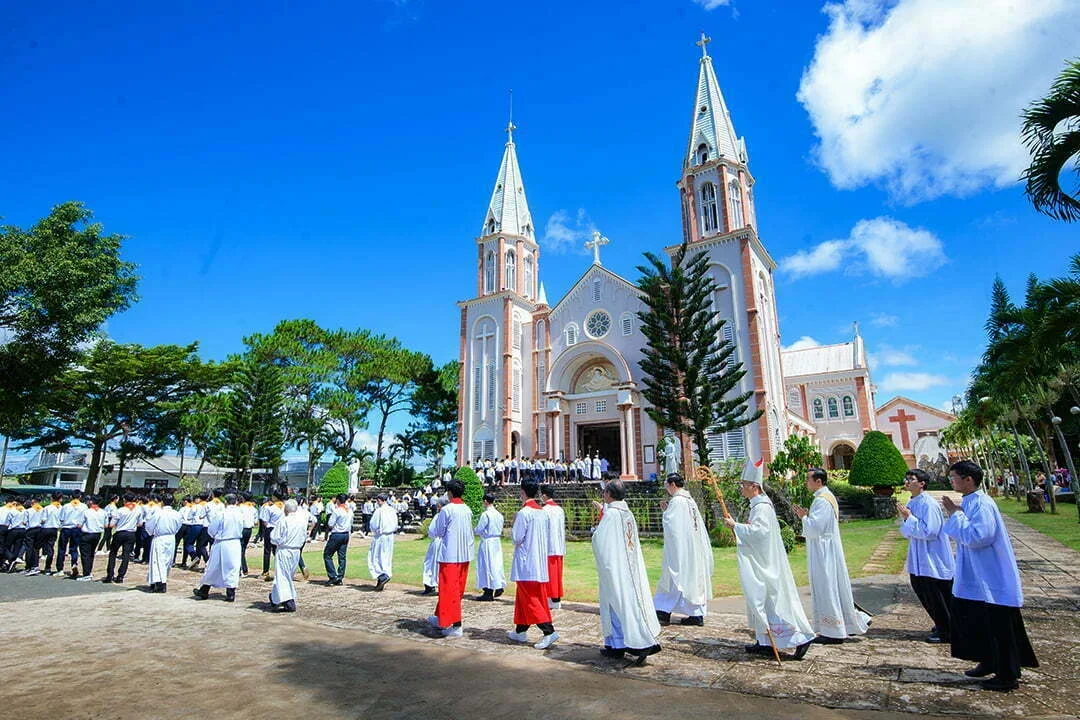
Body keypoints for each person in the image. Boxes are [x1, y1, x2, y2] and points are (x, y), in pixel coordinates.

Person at [942, 460, 1038, 692]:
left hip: (991, 576)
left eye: (954, 477)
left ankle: (1007, 674)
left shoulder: (983, 503)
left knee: (999, 626)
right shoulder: (970, 501)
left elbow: (979, 536)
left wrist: (955, 515)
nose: (951, 481)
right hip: (977, 574)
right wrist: (958, 513)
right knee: (980, 621)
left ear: (968, 479)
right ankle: (988, 660)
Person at [724, 459, 814, 660]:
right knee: (762, 600)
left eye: (744, 485)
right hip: (761, 560)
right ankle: (764, 641)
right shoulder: (758, 505)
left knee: (772, 600)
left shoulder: (762, 507)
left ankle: (801, 637)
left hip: (766, 564)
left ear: (754, 487)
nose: (741, 488)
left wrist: (735, 526)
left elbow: (759, 533)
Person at [793, 468, 870, 644]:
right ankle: (843, 625)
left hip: (824, 550)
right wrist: (806, 517)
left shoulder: (822, 500)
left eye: (808, 479)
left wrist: (804, 517)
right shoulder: (825, 498)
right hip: (825, 547)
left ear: (818, 481)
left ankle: (833, 631)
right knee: (831, 586)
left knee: (827, 587)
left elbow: (815, 529)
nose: (806, 483)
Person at [591, 479, 662, 662]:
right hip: (629, 566)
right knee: (627, 603)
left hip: (615, 567)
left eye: (605, 491)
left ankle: (628, 644)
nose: (604, 494)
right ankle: (622, 643)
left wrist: (594, 533)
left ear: (609, 494)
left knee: (616, 604)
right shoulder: (626, 512)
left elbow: (601, 541)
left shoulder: (612, 515)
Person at [897, 468, 955, 643]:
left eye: (911, 479)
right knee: (923, 589)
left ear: (921, 484)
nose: (907, 482)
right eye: (906, 478)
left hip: (932, 556)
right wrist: (907, 519)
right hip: (919, 554)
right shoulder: (913, 501)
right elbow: (906, 530)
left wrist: (909, 518)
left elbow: (930, 531)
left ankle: (947, 630)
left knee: (936, 594)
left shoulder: (928, 504)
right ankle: (943, 623)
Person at [654, 473, 713, 627]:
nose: (666, 487)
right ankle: (695, 613)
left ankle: (663, 611)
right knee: (691, 580)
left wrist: (665, 511)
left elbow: (672, 526)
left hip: (681, 549)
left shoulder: (678, 501)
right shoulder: (689, 500)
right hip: (692, 547)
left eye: (667, 484)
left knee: (674, 578)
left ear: (673, 484)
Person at [506, 480, 559, 650]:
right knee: (524, 598)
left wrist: (514, 521)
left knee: (531, 599)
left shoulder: (524, 513)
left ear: (522, 492)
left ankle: (548, 631)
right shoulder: (542, 513)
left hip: (527, 561)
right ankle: (520, 630)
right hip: (538, 560)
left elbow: (517, 537)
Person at [426, 479, 474, 638]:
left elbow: (437, 531)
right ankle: (441, 616)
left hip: (450, 555)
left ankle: (456, 624)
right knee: (455, 589)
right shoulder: (467, 509)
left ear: (450, 493)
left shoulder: (447, 510)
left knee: (449, 590)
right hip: (464, 554)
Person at [193, 493, 244, 602]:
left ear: (226, 502)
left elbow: (211, 529)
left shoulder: (222, 514)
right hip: (235, 543)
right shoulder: (240, 513)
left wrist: (215, 536)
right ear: (236, 502)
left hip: (222, 542)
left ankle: (204, 590)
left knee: (213, 566)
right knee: (232, 567)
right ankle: (230, 593)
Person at [270, 499, 308, 612]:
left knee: (282, 576)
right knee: (287, 576)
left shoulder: (284, 521)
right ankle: (275, 598)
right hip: (296, 551)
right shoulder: (302, 522)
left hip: (285, 550)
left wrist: (277, 542)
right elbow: (303, 538)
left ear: (286, 509)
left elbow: (275, 537)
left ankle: (289, 601)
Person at [145, 494, 182, 593]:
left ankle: (159, 583)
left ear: (162, 502)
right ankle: (160, 581)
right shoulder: (176, 514)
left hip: (160, 538)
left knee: (157, 560)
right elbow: (179, 526)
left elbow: (149, 525)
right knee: (167, 560)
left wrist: (151, 532)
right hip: (171, 538)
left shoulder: (158, 513)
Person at [538, 485, 566, 610]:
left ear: (544, 495)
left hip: (548, 546)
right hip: (558, 545)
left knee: (550, 574)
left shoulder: (544, 510)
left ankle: (551, 598)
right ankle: (556, 598)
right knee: (557, 574)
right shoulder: (560, 509)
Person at [475, 493, 506, 601]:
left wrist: (475, 530)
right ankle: (498, 585)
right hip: (496, 541)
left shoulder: (486, 514)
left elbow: (479, 528)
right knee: (496, 564)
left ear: (485, 501)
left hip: (488, 540)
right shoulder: (499, 515)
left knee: (487, 564)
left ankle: (488, 590)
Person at [104, 493, 140, 584]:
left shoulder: (120, 510)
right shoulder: (137, 511)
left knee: (113, 553)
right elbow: (140, 524)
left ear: (124, 500)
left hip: (120, 532)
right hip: (131, 533)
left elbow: (111, 524)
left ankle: (110, 574)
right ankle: (121, 576)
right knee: (126, 555)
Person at [368, 494, 398, 590]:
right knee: (386, 556)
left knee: (376, 557)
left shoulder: (379, 511)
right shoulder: (392, 510)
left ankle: (382, 576)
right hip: (390, 536)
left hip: (380, 536)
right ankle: (381, 579)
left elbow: (373, 524)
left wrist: (375, 530)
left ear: (380, 500)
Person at [323, 494, 353, 586]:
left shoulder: (337, 511)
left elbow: (330, 524)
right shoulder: (350, 511)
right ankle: (340, 577)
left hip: (337, 534)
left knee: (327, 555)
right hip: (346, 534)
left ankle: (333, 576)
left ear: (338, 501)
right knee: (342, 556)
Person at [75, 496, 106, 581]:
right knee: (91, 553)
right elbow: (106, 524)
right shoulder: (103, 512)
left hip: (87, 534)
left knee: (85, 554)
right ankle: (89, 571)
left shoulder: (86, 512)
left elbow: (79, 524)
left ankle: (86, 574)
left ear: (91, 502)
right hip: (97, 534)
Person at [56, 490, 85, 578]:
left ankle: (60, 569)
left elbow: (61, 518)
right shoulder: (84, 506)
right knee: (74, 548)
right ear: (80, 497)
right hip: (77, 529)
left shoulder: (66, 506)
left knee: (62, 548)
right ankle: (74, 563)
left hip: (66, 528)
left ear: (71, 497)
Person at [422, 496, 445, 596]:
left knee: (431, 563)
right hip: (445, 542)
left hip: (437, 540)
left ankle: (430, 584)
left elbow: (431, 530)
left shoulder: (439, 516)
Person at [260, 492, 285, 581]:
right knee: (277, 550)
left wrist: (267, 527)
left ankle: (266, 571)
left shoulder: (270, 507)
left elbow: (265, 520)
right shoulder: (284, 506)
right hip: (281, 530)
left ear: (274, 497)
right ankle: (281, 569)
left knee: (267, 550)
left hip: (271, 528)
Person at [36, 492, 63, 575]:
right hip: (55, 529)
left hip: (46, 528)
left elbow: (43, 519)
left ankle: (35, 565)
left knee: (37, 546)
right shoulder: (61, 508)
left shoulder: (48, 508)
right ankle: (48, 568)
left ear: (52, 498)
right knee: (50, 548)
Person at [239, 492, 258, 577]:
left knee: (239, 550)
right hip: (249, 530)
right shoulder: (254, 508)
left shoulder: (240, 507)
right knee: (243, 549)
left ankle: (242, 569)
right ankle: (244, 569)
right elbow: (256, 522)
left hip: (241, 529)